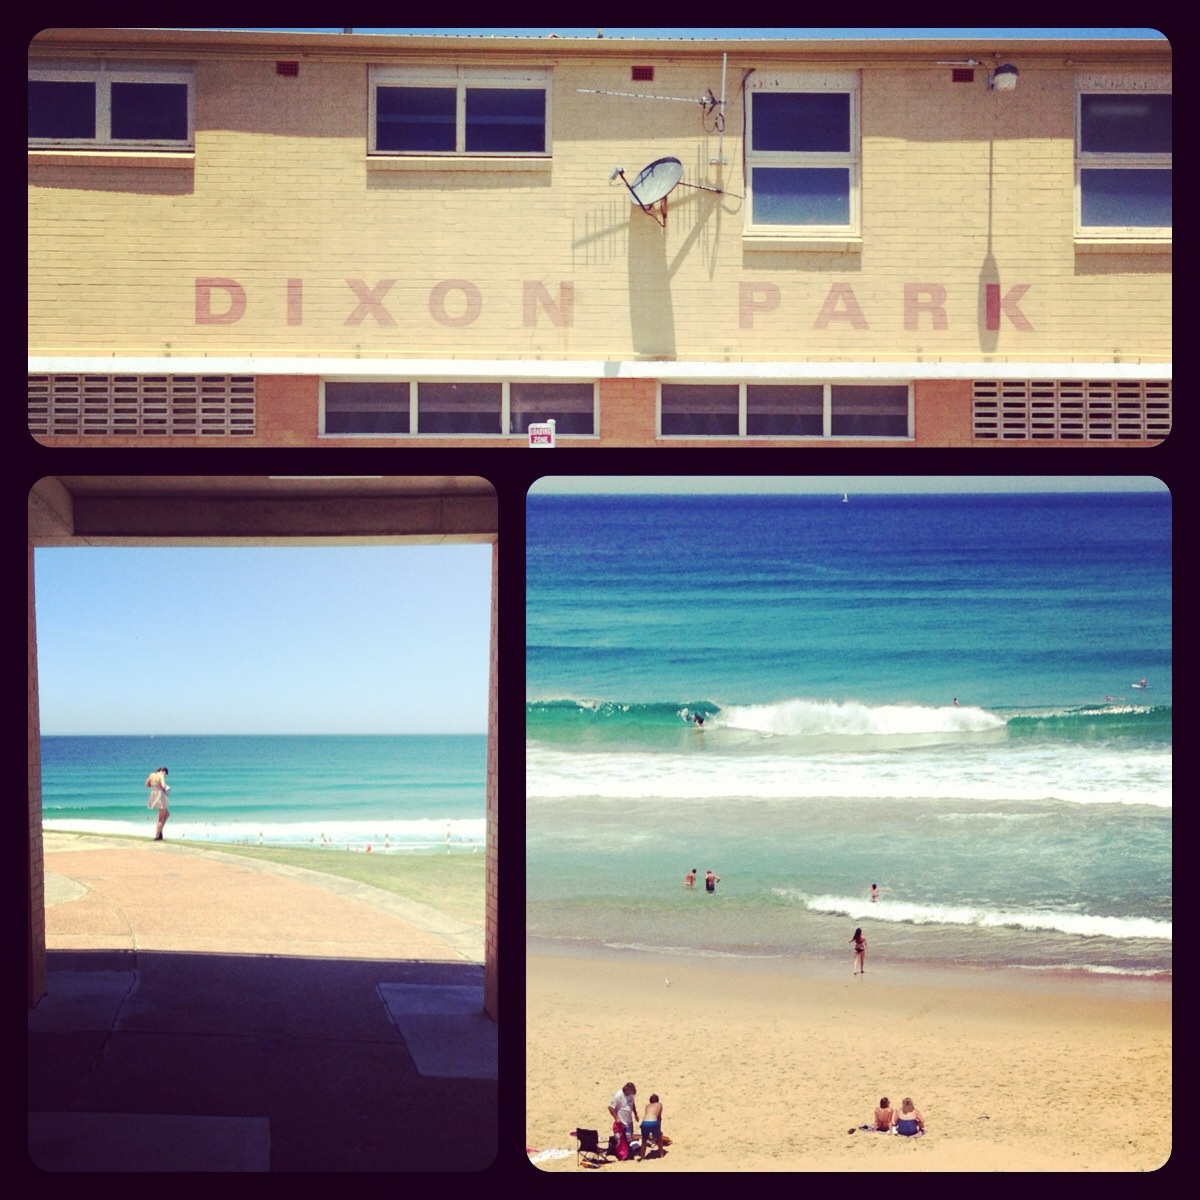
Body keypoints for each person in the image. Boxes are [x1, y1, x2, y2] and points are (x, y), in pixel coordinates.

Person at [608, 1082, 638, 1158]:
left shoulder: (630, 1096)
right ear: (627, 1090)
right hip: (622, 1121)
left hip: (629, 1119)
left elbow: (632, 1104)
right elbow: (610, 1108)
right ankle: (622, 1153)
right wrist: (616, 1118)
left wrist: (635, 1114)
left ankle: (627, 1150)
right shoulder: (618, 1096)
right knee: (623, 1138)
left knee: (630, 1137)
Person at [145, 766, 170, 840]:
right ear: (163, 771)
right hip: (160, 795)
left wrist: (154, 785)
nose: (165, 775)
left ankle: (160, 831)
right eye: (165, 774)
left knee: (167, 814)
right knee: (161, 818)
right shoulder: (161, 776)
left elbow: (147, 784)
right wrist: (165, 784)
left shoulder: (151, 775)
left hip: (153, 794)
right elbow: (164, 786)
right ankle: (157, 836)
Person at [639, 1094, 664, 1159]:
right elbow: (659, 1117)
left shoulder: (647, 1106)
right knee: (659, 1138)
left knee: (644, 1140)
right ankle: (661, 1155)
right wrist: (659, 1128)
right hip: (653, 1121)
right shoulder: (659, 1104)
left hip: (644, 1122)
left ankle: (642, 1157)